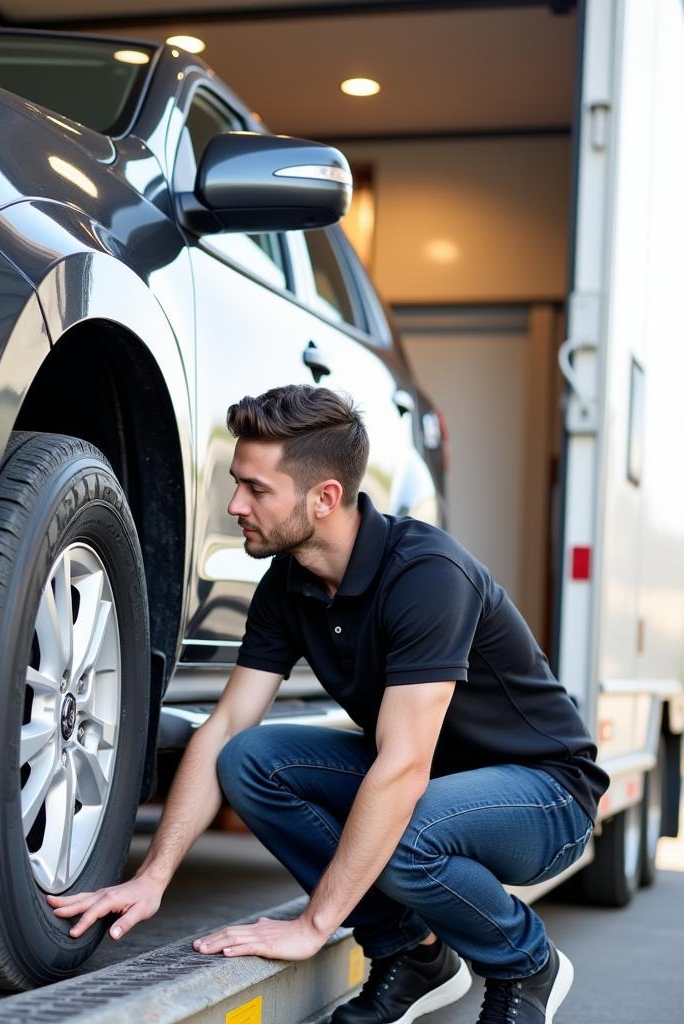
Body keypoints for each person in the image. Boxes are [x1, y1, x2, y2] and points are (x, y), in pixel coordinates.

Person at [49, 385, 608, 1024]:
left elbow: (401, 769)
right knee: (249, 759)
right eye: (238, 483)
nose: (235, 505)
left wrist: (315, 925)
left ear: (326, 497)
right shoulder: (287, 584)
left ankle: (525, 962)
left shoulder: (426, 576)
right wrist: (152, 876)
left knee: (405, 832)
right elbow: (227, 724)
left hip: (546, 793)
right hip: (438, 784)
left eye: (257, 490)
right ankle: (410, 952)